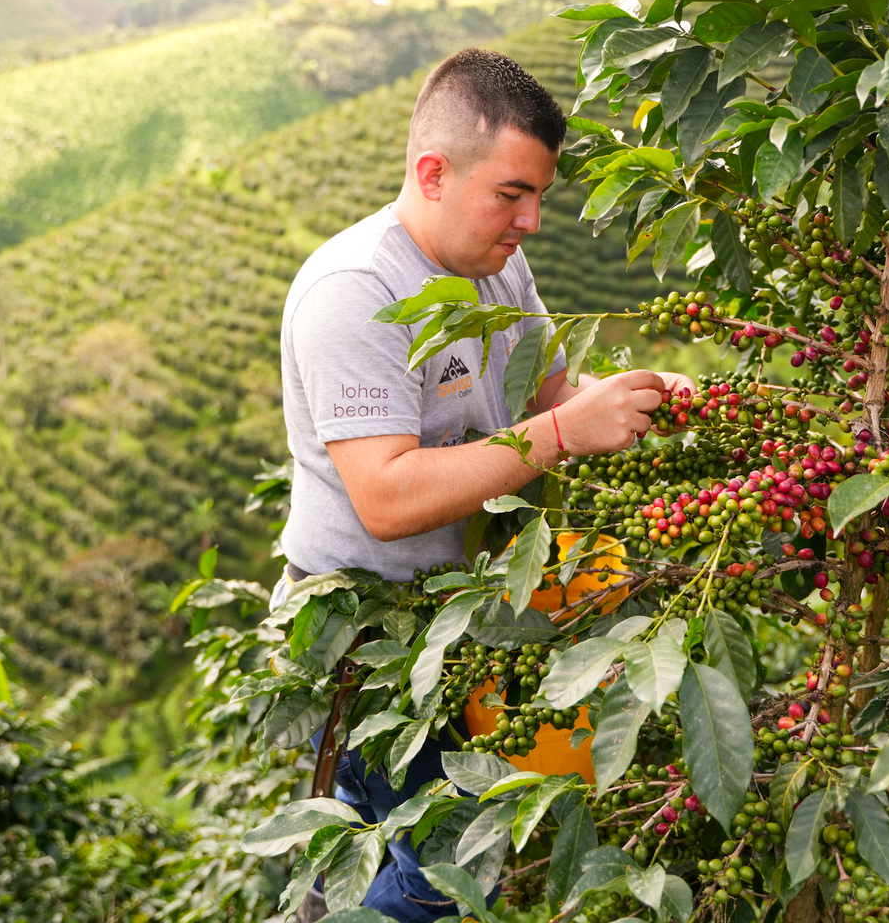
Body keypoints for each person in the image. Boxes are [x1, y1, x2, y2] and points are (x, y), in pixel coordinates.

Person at [276, 48, 693, 922]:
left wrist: (632, 402)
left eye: (539, 196)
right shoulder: (356, 292)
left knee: (372, 849)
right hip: (364, 632)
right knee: (449, 865)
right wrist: (560, 432)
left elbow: (549, 396)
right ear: (433, 172)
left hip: (460, 615)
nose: (531, 221)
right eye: (512, 194)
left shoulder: (496, 266)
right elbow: (385, 500)